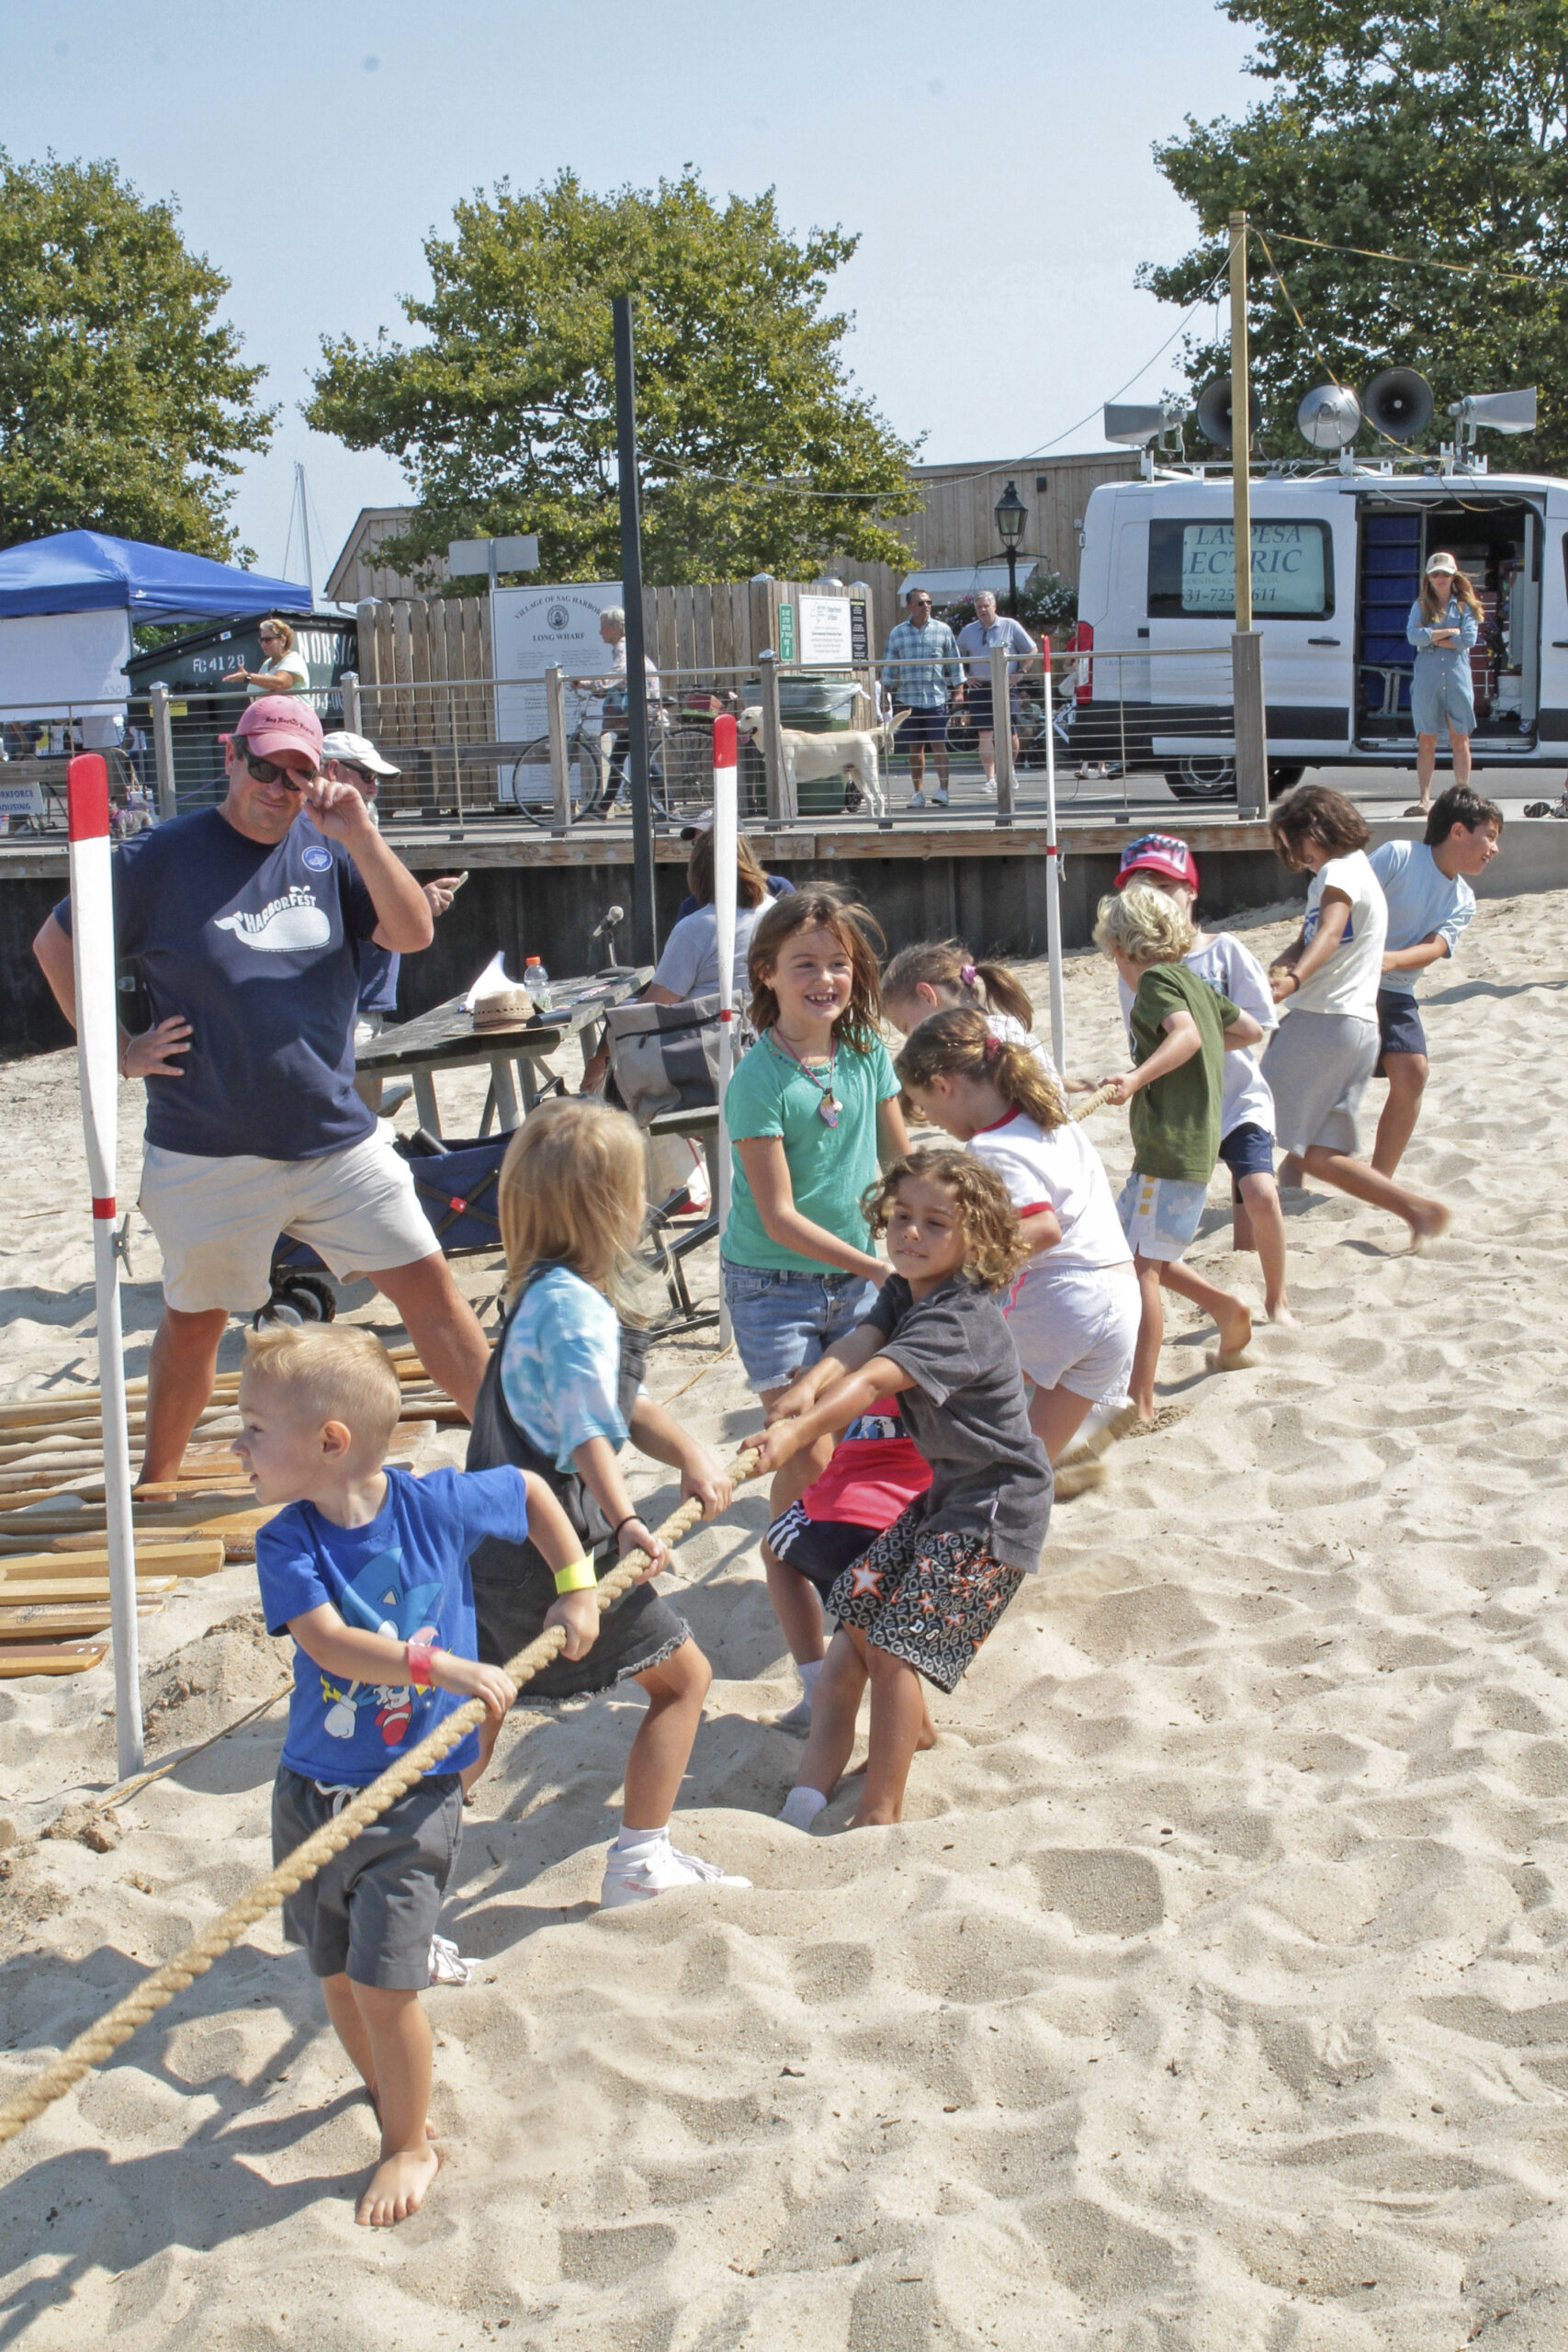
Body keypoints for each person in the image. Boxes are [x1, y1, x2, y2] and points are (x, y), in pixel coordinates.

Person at [31, 695, 492, 1487]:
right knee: (195, 1320)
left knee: (432, 1289)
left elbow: (413, 933)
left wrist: (360, 831)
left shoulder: (331, 846)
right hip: (208, 1145)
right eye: (264, 766)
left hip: (335, 1137)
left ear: (319, 778)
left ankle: (507, 1449)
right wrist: (115, 1052)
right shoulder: (158, 857)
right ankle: (159, 1477)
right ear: (231, 755)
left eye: (297, 773)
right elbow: (56, 941)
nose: (277, 786)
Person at [237, 1322, 589, 2228]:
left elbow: (531, 1492)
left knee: (389, 1985)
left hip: (413, 1791)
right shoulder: (287, 1542)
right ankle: (392, 2096)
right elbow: (327, 1641)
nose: (236, 1447)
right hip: (312, 1786)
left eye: (252, 1428)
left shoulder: (433, 1505)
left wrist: (578, 1582)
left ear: (329, 1441)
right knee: (338, 1976)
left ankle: (409, 2140)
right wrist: (443, 1668)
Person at [463, 1097, 750, 1908]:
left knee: (480, 1715)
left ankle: (395, 1875)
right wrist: (626, 1521)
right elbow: (591, 1433)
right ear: (610, 1206)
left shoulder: (541, 1293)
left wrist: (692, 1453)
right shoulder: (576, 1309)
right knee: (683, 1681)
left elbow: (620, 1402)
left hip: (493, 1537)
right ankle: (639, 1860)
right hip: (555, 1548)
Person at [757, 1148, 1052, 1830]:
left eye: (934, 1224)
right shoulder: (905, 1289)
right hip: (944, 1494)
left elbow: (873, 1383)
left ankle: (878, 1813)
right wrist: (801, 1393)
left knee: (893, 1649)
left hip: (995, 1505)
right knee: (854, 1630)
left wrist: (801, 1436)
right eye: (900, 1217)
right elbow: (859, 1344)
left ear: (975, 1237)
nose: (910, 1234)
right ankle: (805, 1799)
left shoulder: (959, 1316)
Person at [720, 890, 910, 1516]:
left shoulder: (867, 1055)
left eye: (839, 964)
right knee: (802, 1446)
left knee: (851, 1429)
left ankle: (831, 1538)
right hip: (772, 1285)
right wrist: (878, 1268)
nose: (825, 978)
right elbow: (779, 1216)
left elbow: (899, 1167)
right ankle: (788, 1554)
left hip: (856, 1273)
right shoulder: (757, 1081)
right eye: (803, 964)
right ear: (765, 973)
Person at [895, 1010, 1138, 1464]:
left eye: (926, 1108)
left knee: (940, 1389)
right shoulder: (1051, 1116)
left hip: (1063, 1297)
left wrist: (956, 1260)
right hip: (1122, 1301)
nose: (935, 1122)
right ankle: (1073, 1455)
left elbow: (1043, 1227)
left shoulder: (991, 1146)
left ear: (944, 1085)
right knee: (1030, 1463)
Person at [1093, 885, 1265, 1421]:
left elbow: (1187, 1036)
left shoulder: (1156, 984)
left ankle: (1140, 1400)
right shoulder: (1194, 979)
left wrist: (1138, 1076)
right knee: (1147, 1253)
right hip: (1188, 1148)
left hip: (1170, 1149)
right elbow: (1249, 1029)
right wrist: (1204, 1046)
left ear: (1122, 947)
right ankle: (1228, 1307)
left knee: (1141, 1269)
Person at [1110, 833, 1293, 1325]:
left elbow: (1258, 1022)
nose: (1152, 893)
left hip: (1233, 1100)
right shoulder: (1136, 970)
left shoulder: (1222, 951)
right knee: (1154, 1234)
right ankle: (1228, 1294)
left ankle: (1277, 1298)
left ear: (1191, 892)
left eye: (1164, 884)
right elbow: (1148, 1041)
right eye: (1140, 885)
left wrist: (1199, 1044)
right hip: (1180, 1111)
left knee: (1258, 1192)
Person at [1265, 785, 1450, 1245]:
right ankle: (1418, 1211)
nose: (1295, 855)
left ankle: (1253, 1215)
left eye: (1296, 843)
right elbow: (1309, 939)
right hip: (1355, 1027)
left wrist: (1292, 982)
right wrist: (1281, 965)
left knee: (1246, 1107)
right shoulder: (1348, 873)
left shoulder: (1340, 873)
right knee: (1320, 1153)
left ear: (1315, 830)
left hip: (1324, 1019)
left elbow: (1328, 934)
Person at [762, 1391, 932, 1730]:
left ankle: (815, 1688)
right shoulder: (947, 1379)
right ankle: (918, 1725)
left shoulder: (870, 1377)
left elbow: (858, 1380)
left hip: (844, 1523)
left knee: (774, 1551)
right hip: (908, 1528)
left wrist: (814, 1384)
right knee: (866, 1649)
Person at [319, 729, 464, 1109]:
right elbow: (348, 917)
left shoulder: (353, 830)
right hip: (348, 1006)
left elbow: (372, 909)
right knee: (354, 1124)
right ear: (333, 770)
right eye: (367, 776)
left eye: (377, 780)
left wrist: (420, 901)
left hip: (368, 1002)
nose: (373, 787)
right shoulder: (325, 836)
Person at [1369, 786, 1502, 1175]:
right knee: (1333, 1082)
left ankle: (1380, 1180)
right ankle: (1295, 1167)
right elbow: (1346, 901)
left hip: (1394, 991)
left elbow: (1435, 946)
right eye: (1490, 836)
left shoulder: (1463, 898)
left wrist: (1390, 961)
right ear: (1458, 831)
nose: (1494, 849)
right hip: (1346, 984)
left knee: (1414, 1072)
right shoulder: (1398, 856)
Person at [881, 937, 1059, 1077]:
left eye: (905, 1027)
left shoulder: (976, 1047)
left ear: (928, 996)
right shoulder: (1005, 1026)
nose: (909, 1038)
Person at [1405, 553, 1483, 818]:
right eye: (1436, 574)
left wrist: (1429, 637)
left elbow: (1469, 639)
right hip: (1427, 679)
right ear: (1428, 577)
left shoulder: (1464, 606)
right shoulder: (1420, 605)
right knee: (1426, 739)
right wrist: (1450, 632)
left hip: (1456, 677)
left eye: (1445, 574)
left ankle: (1463, 798)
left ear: (1454, 577)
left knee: (1459, 739)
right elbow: (1412, 636)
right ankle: (1424, 799)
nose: (1440, 578)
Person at [571, 605, 661, 820]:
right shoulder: (625, 646)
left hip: (638, 710)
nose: (600, 632)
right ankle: (603, 808)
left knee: (645, 760)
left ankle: (670, 806)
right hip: (636, 709)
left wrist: (585, 684)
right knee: (619, 758)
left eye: (603, 627)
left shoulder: (624, 647)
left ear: (614, 628)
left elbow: (618, 674)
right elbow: (619, 679)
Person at [880, 589, 963, 809]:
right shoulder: (897, 633)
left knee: (938, 744)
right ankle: (918, 793)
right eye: (920, 602)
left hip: (936, 697)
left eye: (929, 602)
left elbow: (954, 661)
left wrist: (959, 689)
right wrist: (884, 694)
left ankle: (943, 790)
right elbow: (888, 666)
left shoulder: (942, 630)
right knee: (915, 748)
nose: (926, 606)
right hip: (908, 698)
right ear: (909, 606)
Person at [954, 589, 1035, 797]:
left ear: (994, 606)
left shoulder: (1010, 626)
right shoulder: (968, 631)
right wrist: (965, 676)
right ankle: (990, 778)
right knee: (985, 733)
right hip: (980, 687)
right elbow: (956, 656)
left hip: (1006, 685)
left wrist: (1021, 672)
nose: (982, 610)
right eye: (978, 607)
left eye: (986, 606)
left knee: (1010, 731)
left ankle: (1009, 771)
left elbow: (1032, 649)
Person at [224, 616, 310, 700]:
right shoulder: (267, 663)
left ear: (283, 640)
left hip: (292, 713)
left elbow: (280, 683)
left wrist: (247, 677)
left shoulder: (293, 659)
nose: (263, 644)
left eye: (268, 640)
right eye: (261, 640)